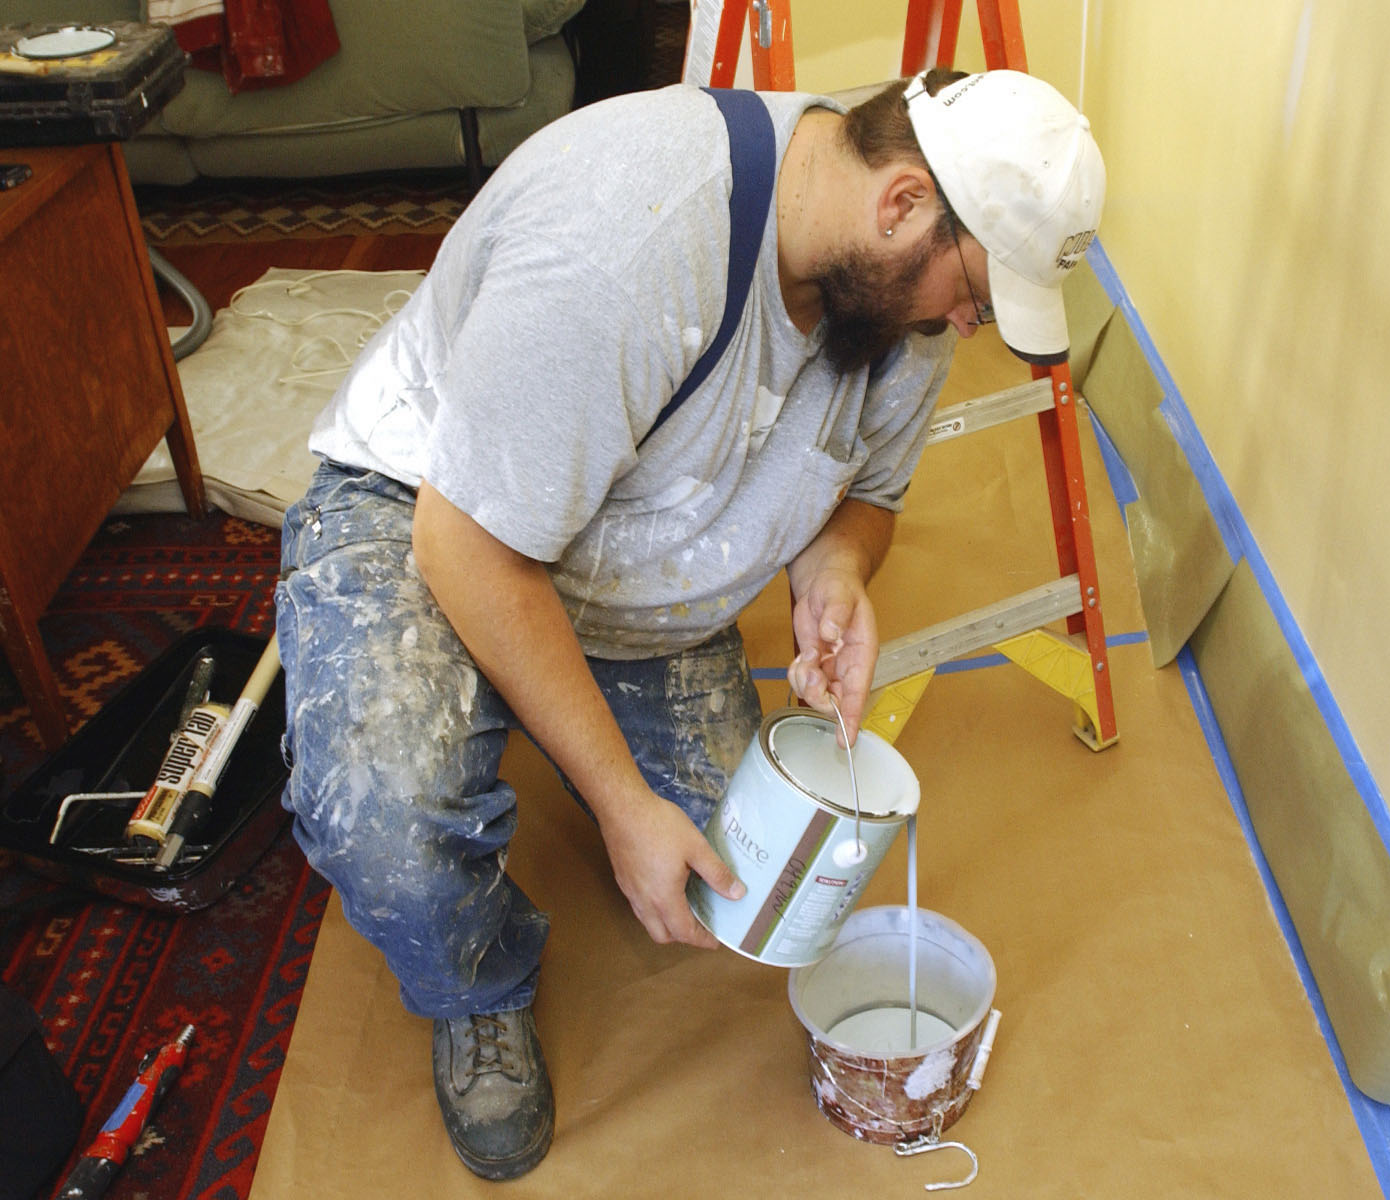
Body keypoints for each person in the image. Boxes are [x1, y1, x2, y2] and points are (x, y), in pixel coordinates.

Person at [275, 67, 1103, 1180]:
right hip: (433, 513)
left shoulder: (891, 303)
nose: (965, 324)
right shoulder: (628, 245)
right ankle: (478, 987)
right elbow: (473, 550)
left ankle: (579, 722)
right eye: (975, 295)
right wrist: (620, 804)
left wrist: (836, 573)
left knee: (743, 867)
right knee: (387, 822)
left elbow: (872, 495)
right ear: (903, 203)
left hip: (640, 563)